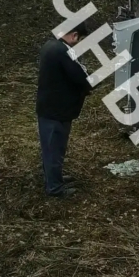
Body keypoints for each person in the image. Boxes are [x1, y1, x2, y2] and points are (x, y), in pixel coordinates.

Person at [36, 22, 92, 198]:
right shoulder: (63, 51)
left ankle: (53, 177)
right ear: (74, 35)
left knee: (50, 148)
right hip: (57, 110)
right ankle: (55, 187)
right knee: (55, 149)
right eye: (79, 39)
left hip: (48, 107)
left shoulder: (50, 45)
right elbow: (80, 78)